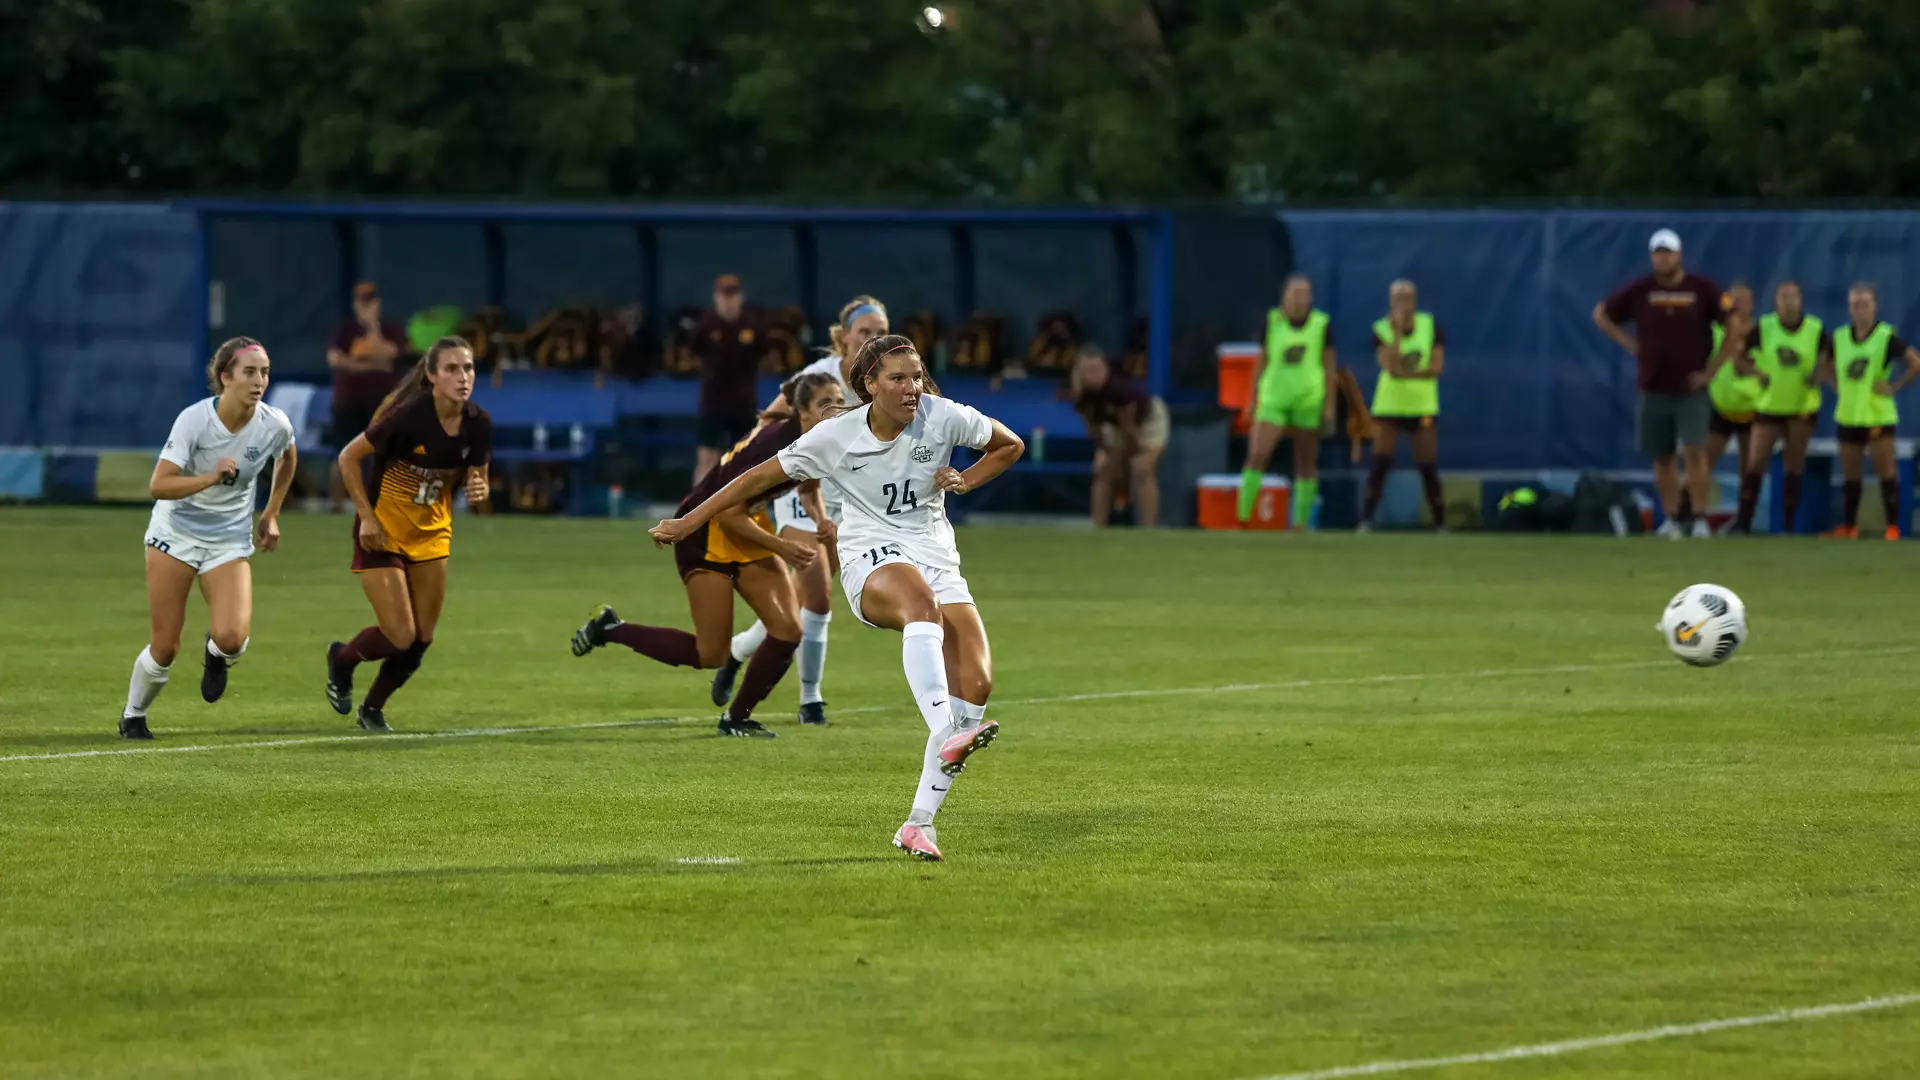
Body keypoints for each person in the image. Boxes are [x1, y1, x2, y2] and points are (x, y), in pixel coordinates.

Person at [648, 335, 1026, 862]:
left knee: (978, 685)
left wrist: (964, 479)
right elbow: (752, 478)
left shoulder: (944, 416)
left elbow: (1010, 446)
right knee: (921, 608)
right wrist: (689, 519)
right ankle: (944, 729)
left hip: (936, 556)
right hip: (870, 556)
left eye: (916, 376)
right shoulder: (836, 436)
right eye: (897, 378)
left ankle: (918, 824)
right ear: (870, 384)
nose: (911, 387)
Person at [570, 372, 846, 737]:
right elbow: (727, 513)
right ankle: (611, 629)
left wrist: (821, 518)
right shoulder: (777, 443)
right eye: (826, 404)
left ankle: (736, 719)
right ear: (801, 411)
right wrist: (783, 547)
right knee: (710, 653)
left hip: (745, 524)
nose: (837, 410)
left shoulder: (815, 440)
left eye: (839, 401)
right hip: (704, 531)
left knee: (788, 629)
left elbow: (808, 486)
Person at [714, 295, 891, 726]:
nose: (872, 338)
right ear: (844, 336)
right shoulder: (819, 376)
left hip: (848, 498)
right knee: (820, 596)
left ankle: (737, 652)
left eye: (879, 331)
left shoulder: (887, 378)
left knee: (796, 601)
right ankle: (811, 701)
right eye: (864, 331)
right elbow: (770, 419)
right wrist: (767, 463)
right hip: (801, 489)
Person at [123, 337, 297, 739]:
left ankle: (216, 655)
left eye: (265, 372)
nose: (259, 381)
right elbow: (159, 485)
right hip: (175, 533)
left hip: (228, 539)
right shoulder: (195, 421)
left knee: (233, 638)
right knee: (165, 647)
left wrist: (271, 513)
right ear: (226, 377)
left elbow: (287, 456)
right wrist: (211, 478)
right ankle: (133, 714)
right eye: (250, 372)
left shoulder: (274, 423)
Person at [325, 337, 493, 732]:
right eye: (451, 369)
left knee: (422, 637)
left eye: (468, 368)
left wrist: (481, 488)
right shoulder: (408, 417)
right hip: (382, 531)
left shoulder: (479, 423)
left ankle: (372, 708)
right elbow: (349, 457)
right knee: (400, 634)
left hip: (433, 535)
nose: (462, 376)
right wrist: (365, 517)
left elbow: (478, 478)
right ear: (432, 376)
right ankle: (343, 658)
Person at [1593, 229, 1739, 539]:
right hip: (1653, 387)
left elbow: (1733, 326)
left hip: (1691, 389)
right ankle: (1672, 518)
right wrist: (1630, 344)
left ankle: (1700, 519)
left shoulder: (1702, 289)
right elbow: (1602, 314)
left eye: (1668, 252)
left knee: (1696, 453)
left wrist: (1711, 371)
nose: (1663, 258)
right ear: (1651, 256)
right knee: (1663, 458)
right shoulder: (1640, 290)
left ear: (1679, 255)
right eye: (1658, 253)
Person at [1820, 283, 1919, 540]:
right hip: (1849, 413)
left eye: (1864, 304)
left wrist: (1894, 386)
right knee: (1850, 473)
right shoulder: (1839, 336)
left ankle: (1892, 527)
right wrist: (1835, 383)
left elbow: (1915, 363)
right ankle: (1850, 526)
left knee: (1885, 470)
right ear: (1849, 307)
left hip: (1877, 414)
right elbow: (1825, 367)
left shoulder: (1886, 337)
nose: (1859, 309)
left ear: (1874, 306)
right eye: (1855, 304)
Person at [1732, 281, 1828, 534]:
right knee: (1755, 463)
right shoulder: (1764, 327)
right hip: (1769, 406)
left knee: (1794, 465)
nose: (1788, 302)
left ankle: (1787, 525)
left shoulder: (1815, 328)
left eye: (1793, 297)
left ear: (1800, 300)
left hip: (1801, 407)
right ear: (1776, 302)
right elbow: (1736, 357)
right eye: (1783, 297)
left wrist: (1819, 374)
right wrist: (1756, 372)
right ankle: (1743, 522)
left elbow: (1831, 358)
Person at [1240, 274, 1334, 529]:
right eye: (1294, 293)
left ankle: (1300, 523)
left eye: (1304, 294)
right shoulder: (1271, 322)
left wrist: (1328, 408)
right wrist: (1251, 400)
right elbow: (1260, 364)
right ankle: (1243, 518)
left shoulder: (1321, 325)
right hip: (1274, 398)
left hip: (1307, 400)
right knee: (1258, 454)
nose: (1299, 299)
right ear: (1284, 296)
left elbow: (1328, 369)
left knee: (1305, 461)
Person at [1360, 280, 1446, 531]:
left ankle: (1440, 521)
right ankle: (1366, 520)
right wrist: (1396, 332)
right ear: (1390, 301)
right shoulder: (1381, 330)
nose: (1403, 303)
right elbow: (1391, 366)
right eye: (1398, 297)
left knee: (1427, 464)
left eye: (1408, 297)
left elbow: (1436, 367)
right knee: (1381, 461)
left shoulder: (1430, 327)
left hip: (1422, 404)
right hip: (1389, 405)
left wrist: (1410, 374)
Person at [325, 282, 407, 513]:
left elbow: (390, 355)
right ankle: (336, 507)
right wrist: (371, 364)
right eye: (362, 302)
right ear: (355, 304)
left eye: (370, 302)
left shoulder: (390, 330)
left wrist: (372, 329)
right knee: (342, 455)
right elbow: (335, 359)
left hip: (382, 403)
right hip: (349, 403)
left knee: (386, 454)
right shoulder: (345, 330)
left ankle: (385, 506)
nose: (366, 307)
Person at [1069, 343, 1168, 527]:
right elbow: (1093, 428)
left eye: (1095, 369)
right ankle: (1099, 526)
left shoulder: (1118, 389)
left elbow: (1131, 431)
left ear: (1105, 368)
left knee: (1141, 468)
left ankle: (1149, 529)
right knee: (1103, 469)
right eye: (1085, 370)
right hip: (1113, 425)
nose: (1091, 374)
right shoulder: (1081, 394)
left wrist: (1127, 459)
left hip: (1147, 420)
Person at [1694, 282, 1763, 528]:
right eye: (1735, 300)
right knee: (1704, 461)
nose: (1740, 305)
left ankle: (1745, 520)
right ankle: (1688, 514)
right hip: (1722, 405)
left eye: (1745, 300)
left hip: (1751, 408)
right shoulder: (1716, 330)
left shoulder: (1761, 332)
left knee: (1750, 467)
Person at [691, 273, 766, 483]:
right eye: (724, 296)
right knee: (707, 458)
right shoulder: (705, 326)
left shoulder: (753, 326)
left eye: (732, 295)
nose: (728, 301)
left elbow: (764, 353)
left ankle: (742, 510)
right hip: (713, 402)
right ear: (716, 297)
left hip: (743, 403)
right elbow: (693, 352)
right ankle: (697, 512)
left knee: (744, 459)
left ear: (741, 297)